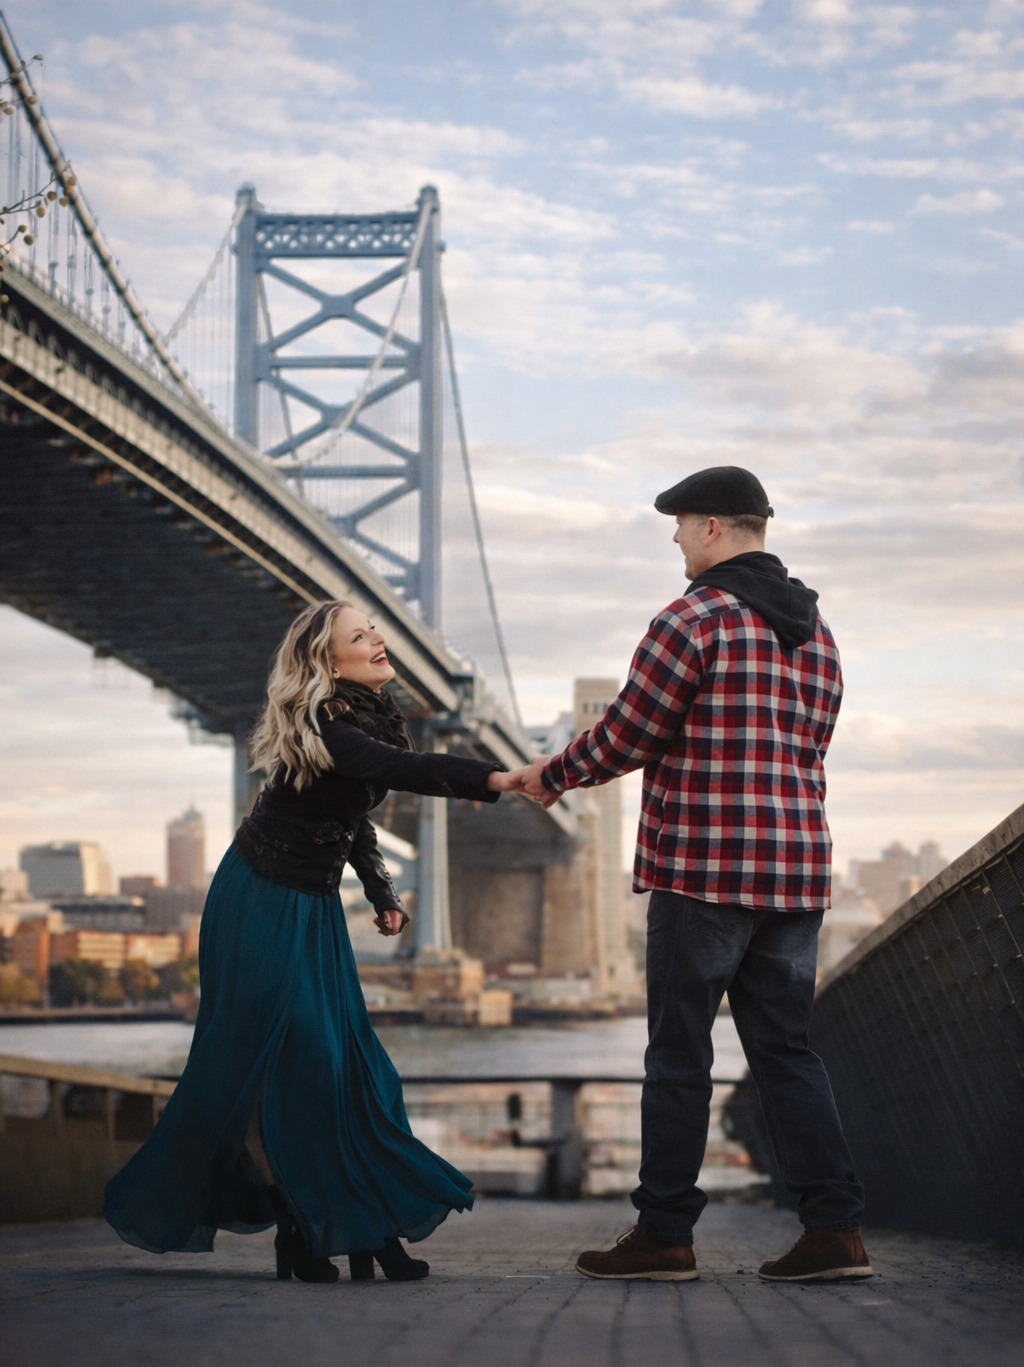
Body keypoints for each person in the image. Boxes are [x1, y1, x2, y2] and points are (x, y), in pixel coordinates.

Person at [105, 599, 525, 1284]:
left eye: (374, 630)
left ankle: (357, 1227)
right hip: (258, 898)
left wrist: (381, 892)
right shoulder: (328, 719)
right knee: (297, 1061)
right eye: (359, 636)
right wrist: (493, 778)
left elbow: (352, 812)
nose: (378, 640)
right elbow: (395, 772)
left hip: (314, 906)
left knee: (349, 1067)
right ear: (330, 661)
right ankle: (302, 1216)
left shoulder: (370, 714)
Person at [521, 466, 872, 1284]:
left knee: (679, 1055)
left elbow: (628, 734)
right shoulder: (817, 632)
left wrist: (554, 775)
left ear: (713, 526)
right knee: (786, 1053)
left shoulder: (693, 617)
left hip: (705, 870)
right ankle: (834, 1230)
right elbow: (810, 748)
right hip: (797, 871)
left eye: (679, 525)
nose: (676, 540)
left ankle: (666, 1236)